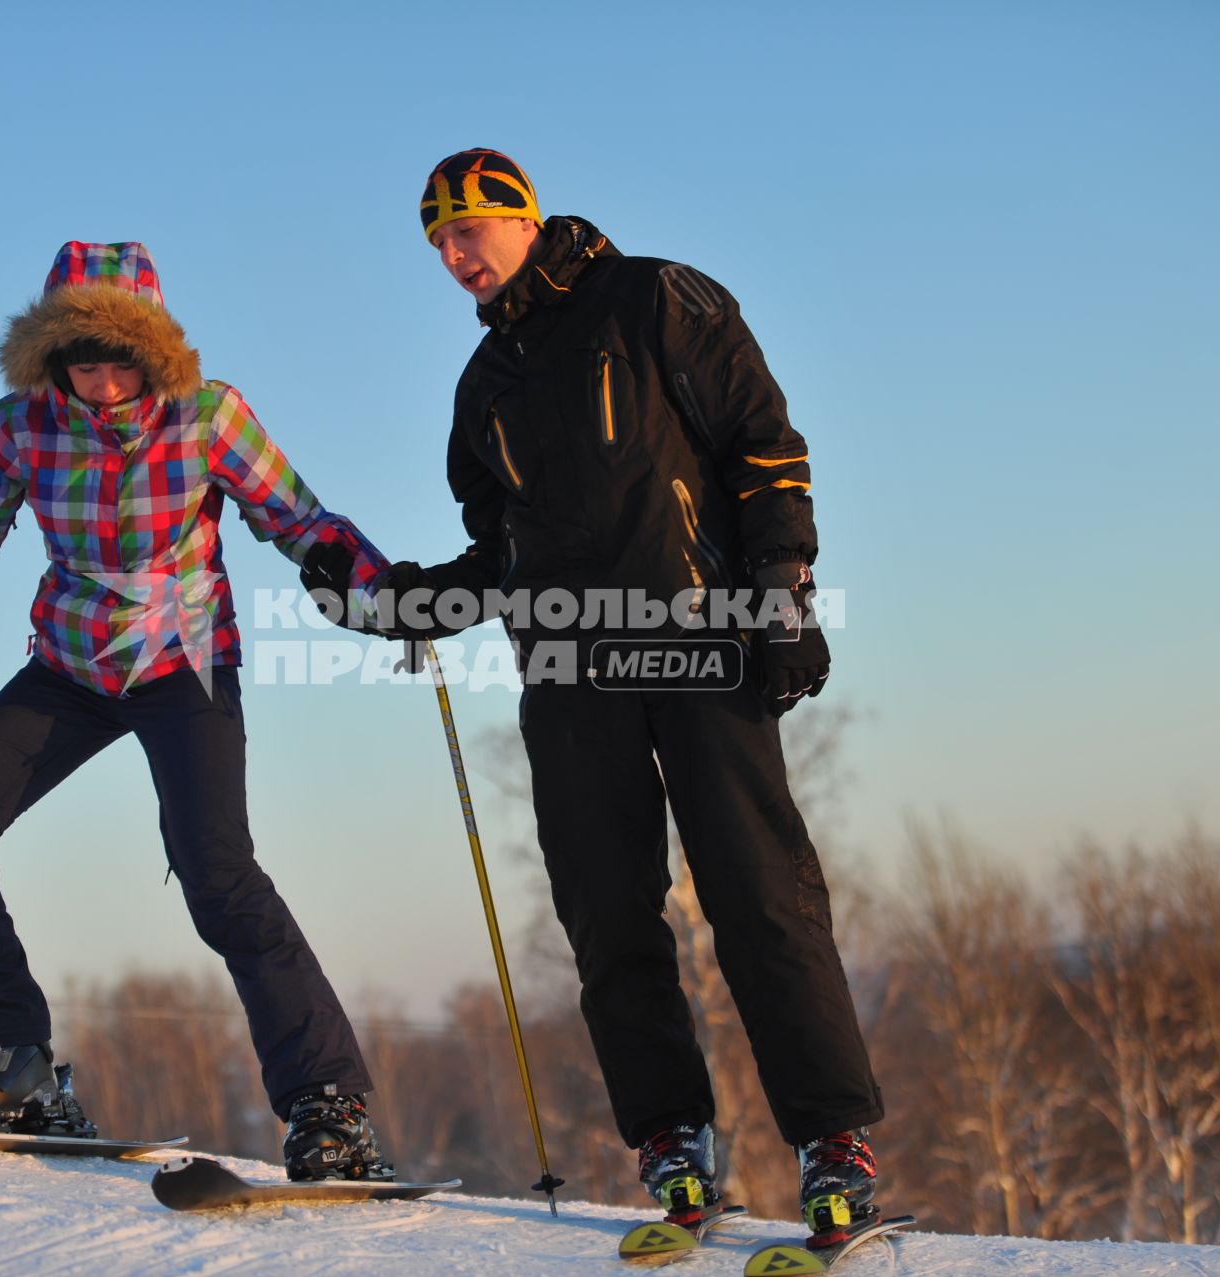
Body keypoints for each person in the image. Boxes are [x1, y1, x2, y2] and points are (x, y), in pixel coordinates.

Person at [309, 150, 885, 1235]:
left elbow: (765, 445)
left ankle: (832, 1137)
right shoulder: (484, 390)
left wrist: (782, 590)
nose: (450, 255)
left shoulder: (657, 298)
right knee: (607, 913)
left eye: (466, 228)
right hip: (570, 674)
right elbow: (502, 556)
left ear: (523, 217)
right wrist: (397, 605)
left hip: (702, 641)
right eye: (435, 240)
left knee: (758, 893)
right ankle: (671, 1137)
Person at [0, 240, 394, 1182]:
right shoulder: (19, 428)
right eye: (81, 358)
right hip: (71, 664)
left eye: (120, 358)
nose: (102, 380)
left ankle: (328, 1104)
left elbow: (300, 521)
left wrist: (379, 594)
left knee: (217, 868)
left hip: (184, 663)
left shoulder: (209, 415)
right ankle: (15, 1064)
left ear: (155, 353)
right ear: (51, 357)